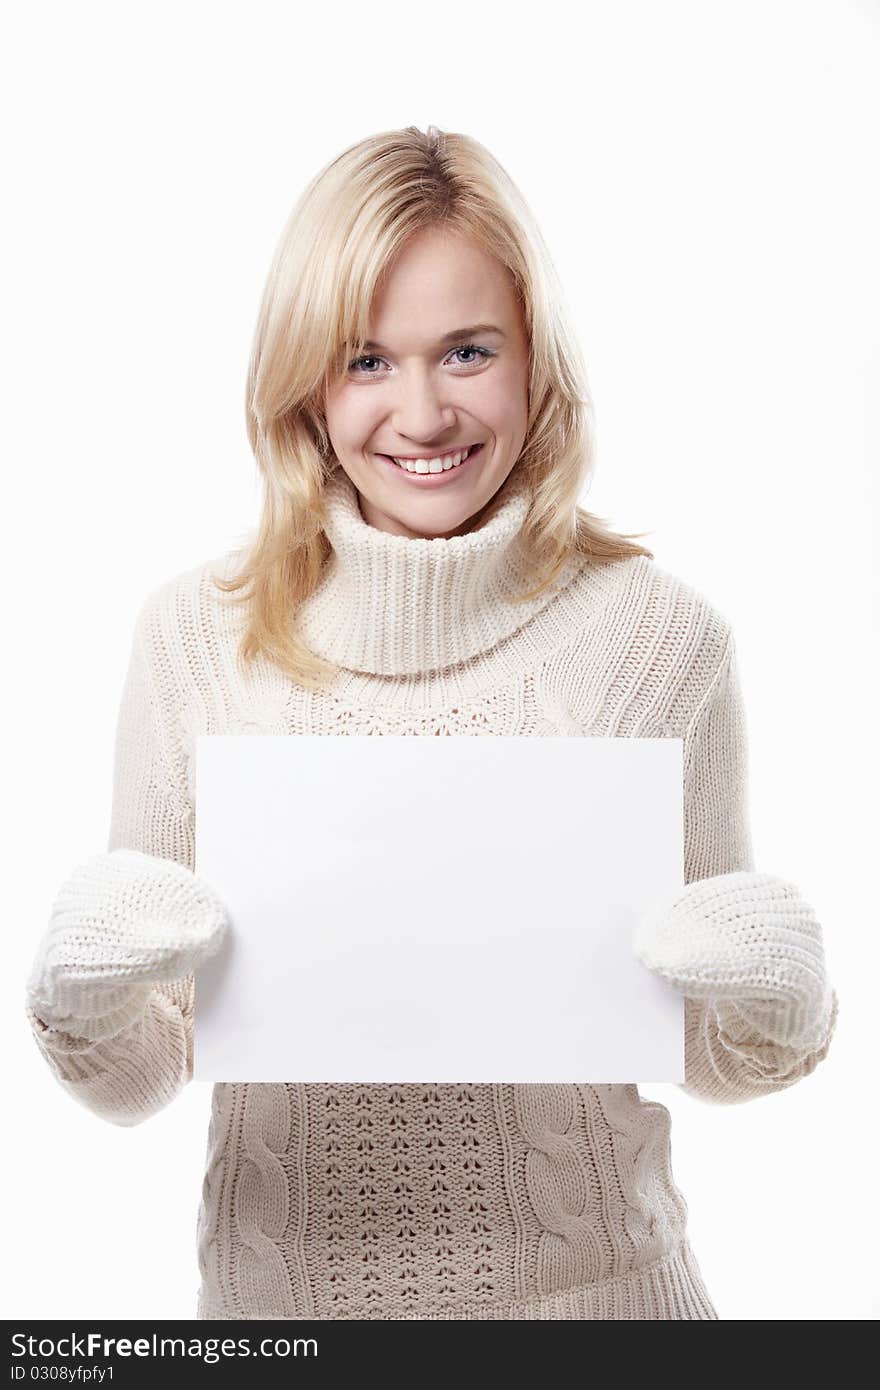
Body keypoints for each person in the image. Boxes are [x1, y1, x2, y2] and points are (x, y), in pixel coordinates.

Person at [24, 124, 838, 1321]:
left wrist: (786, 1000)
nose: (421, 412)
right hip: (279, 1325)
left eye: (467, 351)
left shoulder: (661, 639)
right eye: (365, 360)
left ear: (534, 360)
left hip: (606, 1309)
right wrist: (77, 1000)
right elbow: (146, 1071)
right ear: (303, 379)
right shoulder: (194, 636)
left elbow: (710, 1049)